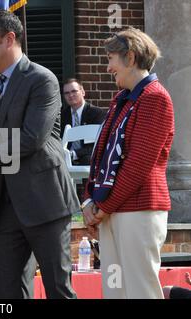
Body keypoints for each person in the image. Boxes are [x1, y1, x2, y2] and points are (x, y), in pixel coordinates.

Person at [0, 10, 79, 299]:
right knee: (9, 293)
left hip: (44, 202)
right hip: (3, 208)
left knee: (58, 290)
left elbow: (31, 139)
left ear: (9, 39)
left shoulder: (42, 80)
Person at [82, 27, 175, 299]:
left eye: (111, 58)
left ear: (131, 57)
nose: (109, 67)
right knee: (114, 290)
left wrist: (102, 206)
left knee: (140, 291)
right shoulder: (121, 100)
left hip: (139, 210)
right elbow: (100, 155)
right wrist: (89, 200)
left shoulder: (156, 98)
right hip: (112, 210)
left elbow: (138, 164)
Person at [60, 78, 106, 165]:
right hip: (65, 157)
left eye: (74, 91)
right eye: (67, 93)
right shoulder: (62, 116)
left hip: (87, 157)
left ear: (83, 92)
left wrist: (74, 154)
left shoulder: (97, 113)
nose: (70, 95)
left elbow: (98, 144)